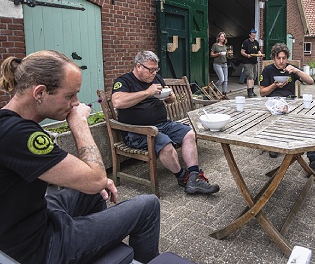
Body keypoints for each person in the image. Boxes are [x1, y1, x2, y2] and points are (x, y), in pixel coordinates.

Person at [0, 50, 160, 264]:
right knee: (148, 205)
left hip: (30, 220)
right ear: (39, 93)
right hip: (39, 248)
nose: (76, 103)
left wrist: (95, 183)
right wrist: (79, 124)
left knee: (95, 192)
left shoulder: (9, 122)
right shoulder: (21, 136)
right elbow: (94, 177)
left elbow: (89, 182)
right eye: (69, 95)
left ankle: (95, 247)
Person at [112, 50, 219, 195]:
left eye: (156, 69)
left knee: (189, 134)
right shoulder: (124, 81)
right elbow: (117, 102)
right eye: (151, 70)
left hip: (162, 124)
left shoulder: (157, 79)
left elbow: (172, 99)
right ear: (138, 66)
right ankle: (183, 177)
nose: (154, 73)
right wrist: (147, 93)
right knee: (166, 145)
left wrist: (169, 97)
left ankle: (194, 176)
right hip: (138, 131)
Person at [259, 43, 315, 178]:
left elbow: (311, 81)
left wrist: (296, 71)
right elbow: (262, 92)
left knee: (310, 121)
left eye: (284, 58)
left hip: (291, 103)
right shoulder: (268, 71)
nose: (282, 61)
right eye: (279, 58)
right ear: (273, 58)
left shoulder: (291, 69)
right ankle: (275, 141)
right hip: (274, 104)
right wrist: (274, 85)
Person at [240, 29, 262, 98]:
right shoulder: (246, 42)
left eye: (254, 35)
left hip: (254, 62)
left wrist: (260, 54)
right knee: (250, 76)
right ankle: (249, 92)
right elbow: (242, 51)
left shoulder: (256, 42)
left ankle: (252, 90)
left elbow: (258, 51)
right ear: (249, 35)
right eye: (252, 35)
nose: (253, 36)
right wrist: (247, 55)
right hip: (247, 62)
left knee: (254, 76)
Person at [210, 31, 229, 98]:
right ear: (218, 38)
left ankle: (224, 94)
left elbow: (226, 55)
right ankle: (215, 88)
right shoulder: (215, 45)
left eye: (223, 37)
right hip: (217, 64)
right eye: (221, 36)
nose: (222, 38)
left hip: (225, 64)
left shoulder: (225, 46)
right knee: (222, 79)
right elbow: (211, 55)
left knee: (226, 80)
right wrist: (217, 54)